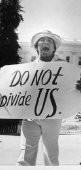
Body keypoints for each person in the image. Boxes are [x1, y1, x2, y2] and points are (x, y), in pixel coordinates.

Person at [17, 30, 63, 166]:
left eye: (50, 41)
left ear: (54, 48)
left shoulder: (63, 68)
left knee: (51, 156)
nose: (46, 42)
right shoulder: (27, 68)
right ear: (37, 47)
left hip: (52, 116)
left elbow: (68, 90)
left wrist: (76, 88)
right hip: (30, 117)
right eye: (42, 40)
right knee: (25, 155)